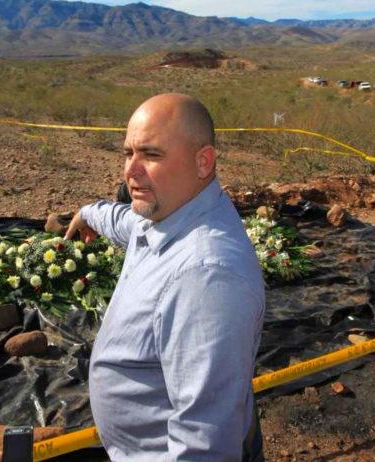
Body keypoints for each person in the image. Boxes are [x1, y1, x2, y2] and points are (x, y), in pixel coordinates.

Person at [64, 93, 266, 460]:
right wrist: (88, 213)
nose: (131, 171)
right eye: (128, 153)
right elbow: (125, 221)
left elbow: (203, 448)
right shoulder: (168, 213)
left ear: (203, 162)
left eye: (151, 155)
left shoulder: (205, 278)